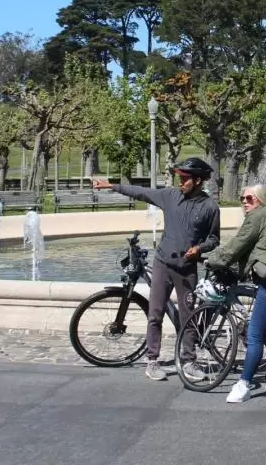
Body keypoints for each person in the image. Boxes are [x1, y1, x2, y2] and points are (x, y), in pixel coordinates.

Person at [92, 157, 221, 382]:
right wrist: (112, 186)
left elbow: (214, 239)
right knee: (156, 314)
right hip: (163, 263)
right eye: (179, 178)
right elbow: (141, 193)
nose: (180, 181)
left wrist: (199, 248)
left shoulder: (210, 207)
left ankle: (189, 361)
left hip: (187, 268)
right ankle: (152, 360)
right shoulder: (170, 196)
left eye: (185, 178)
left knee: (188, 316)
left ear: (198, 180)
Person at [205, 184, 266, 403]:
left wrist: (212, 259)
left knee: (255, 335)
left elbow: (237, 245)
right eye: (242, 198)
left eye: (249, 198)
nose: (244, 201)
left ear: (259, 200)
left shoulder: (257, 216)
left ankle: (243, 384)